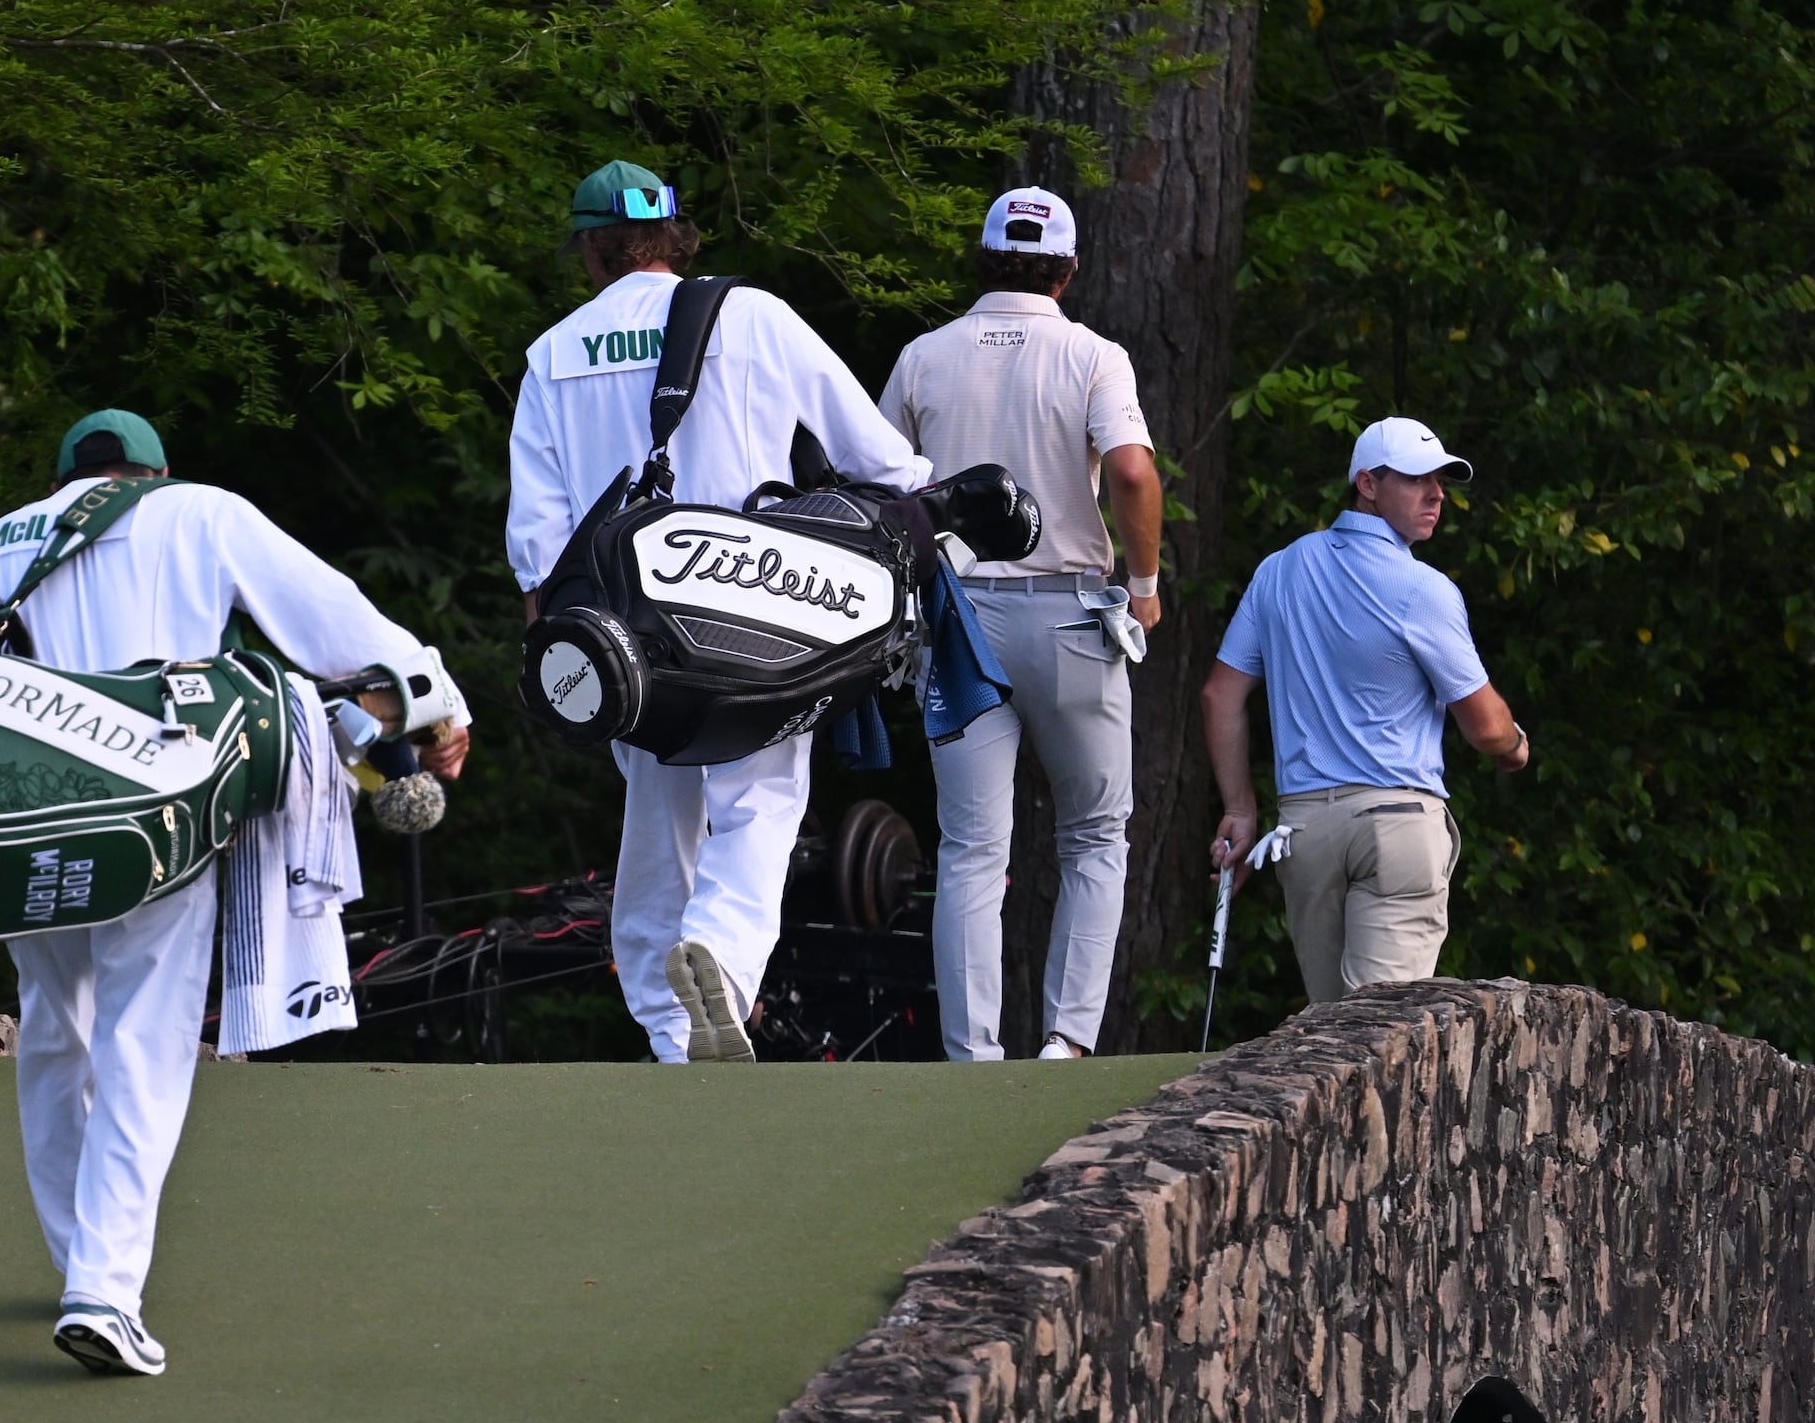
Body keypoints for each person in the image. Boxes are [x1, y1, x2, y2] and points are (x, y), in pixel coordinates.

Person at [0, 408, 468, 1377]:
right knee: (145, 1037)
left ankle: (78, 1261)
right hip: (151, 809)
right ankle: (103, 1288)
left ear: (62, 482)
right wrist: (436, 700)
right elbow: (336, 622)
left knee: (54, 1027)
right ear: (154, 469)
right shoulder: (195, 512)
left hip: (22, 821)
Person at [505, 161, 932, 1062]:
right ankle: (724, 963)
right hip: (753, 611)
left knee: (659, 815)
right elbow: (881, 460)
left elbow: (537, 544)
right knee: (761, 801)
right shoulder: (753, 316)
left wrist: (560, 663)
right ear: (675, 235)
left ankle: (668, 1026)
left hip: (616, 632)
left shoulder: (553, 354)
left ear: (590, 249)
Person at [877, 186, 1165, 1061]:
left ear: (985, 257)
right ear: (1069, 269)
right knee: (1093, 832)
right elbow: (1132, 473)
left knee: (969, 847)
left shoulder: (924, 355)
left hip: (958, 619)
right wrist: (1145, 581)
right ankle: (1067, 1043)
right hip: (1071, 618)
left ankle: (974, 1057)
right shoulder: (1091, 354)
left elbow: (878, 488)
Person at [1201, 417, 1531, 1001]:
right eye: (1416, 480)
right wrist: (1515, 747)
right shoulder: (1423, 589)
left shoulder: (1278, 570)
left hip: (1304, 832)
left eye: (1441, 481)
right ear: (1368, 484)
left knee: (1333, 1043)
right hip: (1397, 825)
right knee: (1378, 1048)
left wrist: (1240, 809)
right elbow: (1486, 728)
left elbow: (1221, 694)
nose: (1436, 494)